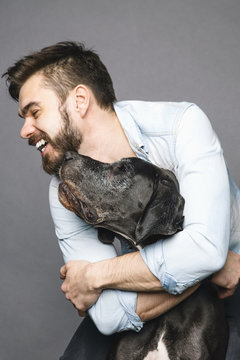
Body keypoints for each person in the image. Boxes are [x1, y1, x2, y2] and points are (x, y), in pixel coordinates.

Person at [3, 41, 240, 359]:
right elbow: (108, 315)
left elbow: (205, 252)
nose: (24, 130)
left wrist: (92, 276)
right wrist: (207, 265)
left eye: (34, 112)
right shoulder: (64, 188)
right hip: (145, 290)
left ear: (80, 100)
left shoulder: (179, 125)